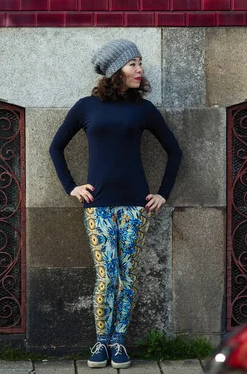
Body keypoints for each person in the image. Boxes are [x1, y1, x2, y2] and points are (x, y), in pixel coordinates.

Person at [49, 39, 182, 369]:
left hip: (136, 206)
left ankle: (119, 342)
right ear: (115, 71)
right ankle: (101, 342)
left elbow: (175, 151)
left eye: (140, 63)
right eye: (133, 63)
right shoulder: (86, 107)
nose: (140, 69)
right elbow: (56, 148)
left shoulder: (143, 110)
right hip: (98, 206)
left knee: (127, 276)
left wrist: (162, 192)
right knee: (106, 277)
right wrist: (71, 187)